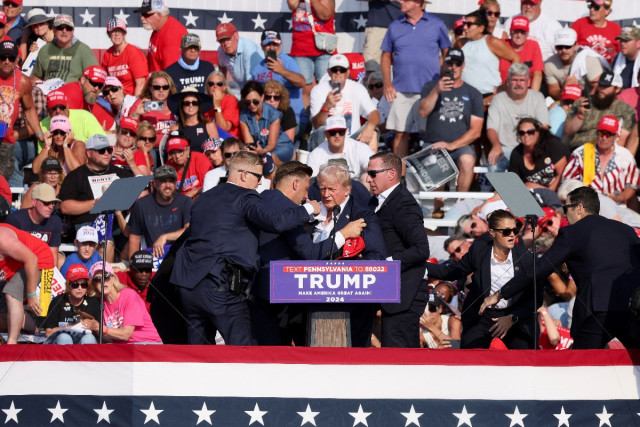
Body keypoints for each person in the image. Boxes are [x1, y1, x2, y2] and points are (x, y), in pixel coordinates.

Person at [169, 151, 321, 345]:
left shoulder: (204, 198)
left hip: (189, 286)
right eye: (258, 177)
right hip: (221, 285)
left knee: (200, 353)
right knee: (244, 352)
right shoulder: (246, 197)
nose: (260, 183)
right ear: (243, 175)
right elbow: (275, 222)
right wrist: (308, 210)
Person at [480, 187, 640, 349]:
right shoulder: (627, 230)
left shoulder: (572, 232)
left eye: (566, 208)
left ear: (579, 208)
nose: (564, 214)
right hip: (632, 308)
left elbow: (540, 269)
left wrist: (501, 293)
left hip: (598, 309)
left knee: (581, 365)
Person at [252, 161, 368, 345]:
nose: (307, 196)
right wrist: (344, 234)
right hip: (279, 298)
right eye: (306, 189)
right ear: (295, 184)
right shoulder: (290, 211)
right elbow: (311, 254)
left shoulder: (259, 199)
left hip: (254, 293)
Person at [428, 210, 538, 349]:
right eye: (506, 231)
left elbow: (536, 297)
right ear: (492, 233)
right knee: (472, 359)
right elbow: (452, 271)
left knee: (524, 361)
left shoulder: (526, 257)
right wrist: (420, 266)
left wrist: (512, 318)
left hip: (515, 316)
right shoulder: (479, 251)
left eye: (515, 230)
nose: (512, 235)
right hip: (482, 316)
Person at [312, 162, 386, 347]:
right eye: (322, 188)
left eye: (332, 189)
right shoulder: (312, 211)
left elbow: (377, 256)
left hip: (353, 301)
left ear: (347, 190)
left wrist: (349, 266)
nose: (326, 194)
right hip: (313, 299)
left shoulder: (362, 215)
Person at [366, 152, 430, 347]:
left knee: (400, 357)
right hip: (385, 291)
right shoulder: (374, 202)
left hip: (404, 294)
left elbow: (421, 249)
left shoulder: (404, 203)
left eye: (373, 173)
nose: (368, 179)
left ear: (392, 174)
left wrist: (386, 265)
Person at [381, 0, 451, 158]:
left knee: (430, 136)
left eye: (406, 0)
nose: (401, 2)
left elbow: (447, 51)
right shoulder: (394, 26)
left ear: (418, 2)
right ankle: (400, 178)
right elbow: (385, 55)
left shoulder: (436, 24)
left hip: (429, 91)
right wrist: (387, 83)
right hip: (401, 90)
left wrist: (445, 78)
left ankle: (432, 178)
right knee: (399, 134)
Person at [418, 48, 484, 192]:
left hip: (460, 146)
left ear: (463, 65)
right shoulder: (431, 86)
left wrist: (452, 145)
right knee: (436, 161)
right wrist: (436, 91)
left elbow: (476, 131)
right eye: (450, 63)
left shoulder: (473, 93)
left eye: (457, 64)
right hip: (433, 143)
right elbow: (423, 112)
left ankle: (460, 205)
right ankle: (437, 206)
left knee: (468, 161)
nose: (453, 67)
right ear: (443, 64)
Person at [58, 134, 134, 230]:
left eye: (109, 150)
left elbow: (140, 196)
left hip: (118, 225)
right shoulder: (75, 176)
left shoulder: (121, 173)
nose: (106, 153)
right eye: (101, 150)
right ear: (89, 153)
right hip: (88, 225)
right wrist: (95, 204)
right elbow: (65, 207)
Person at [563, 115, 640, 206]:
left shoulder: (626, 156)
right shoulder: (580, 153)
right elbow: (566, 183)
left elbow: (632, 186)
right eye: (601, 133)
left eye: (608, 134)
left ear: (616, 136)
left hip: (616, 206)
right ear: (596, 133)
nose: (604, 138)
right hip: (585, 206)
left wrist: (619, 198)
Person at [486, 63, 550, 172]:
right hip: (506, 149)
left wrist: (533, 149)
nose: (518, 84)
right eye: (515, 80)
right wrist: (496, 146)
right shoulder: (498, 99)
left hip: (531, 148)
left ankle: (525, 189)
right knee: (493, 162)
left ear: (528, 82)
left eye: (522, 80)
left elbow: (544, 127)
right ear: (508, 82)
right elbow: (491, 128)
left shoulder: (537, 97)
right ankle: (509, 189)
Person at [310, 54, 380, 152]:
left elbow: (374, 113)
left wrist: (370, 126)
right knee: (322, 131)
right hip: (328, 138)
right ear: (329, 72)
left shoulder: (357, 88)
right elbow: (317, 125)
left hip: (351, 139)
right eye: (335, 69)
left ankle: (370, 166)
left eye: (342, 70)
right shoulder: (318, 90)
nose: (338, 73)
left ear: (347, 73)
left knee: (373, 132)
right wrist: (326, 106)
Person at [82, 261, 162, 344]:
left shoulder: (129, 296)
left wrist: (100, 328)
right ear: (94, 284)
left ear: (113, 278)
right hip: (123, 347)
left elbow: (126, 334)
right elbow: (109, 338)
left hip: (147, 343)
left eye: (106, 276)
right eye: (97, 279)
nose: (102, 281)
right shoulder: (99, 303)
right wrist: (95, 328)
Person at [0, 223, 54, 344]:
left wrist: (31, 294)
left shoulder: (3, 238)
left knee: (12, 293)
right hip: (15, 264)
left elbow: (32, 259)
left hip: (38, 259)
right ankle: (34, 329)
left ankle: (12, 343)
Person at [0, 40, 45, 181]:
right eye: (3, 57)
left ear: (17, 60)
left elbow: (29, 109)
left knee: (6, 178)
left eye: (11, 58)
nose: (7, 61)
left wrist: (39, 133)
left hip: (6, 139)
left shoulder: (23, 81)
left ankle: (11, 203)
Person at [128, 165, 192, 259]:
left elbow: (189, 230)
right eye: (163, 181)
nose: (167, 185)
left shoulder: (185, 202)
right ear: (154, 183)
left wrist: (165, 237)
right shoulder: (141, 205)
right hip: (153, 257)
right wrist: (133, 265)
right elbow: (134, 237)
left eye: (171, 181)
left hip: (179, 256)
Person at [564, 70, 636, 150]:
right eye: (600, 85)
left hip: (606, 151)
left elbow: (621, 141)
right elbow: (567, 132)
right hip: (578, 148)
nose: (601, 89)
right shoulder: (582, 102)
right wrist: (580, 115)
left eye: (606, 86)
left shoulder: (626, 110)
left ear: (617, 89)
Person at [457, 10, 520, 102]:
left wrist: (507, 84)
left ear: (481, 28)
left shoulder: (492, 42)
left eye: (469, 24)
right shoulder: (460, 44)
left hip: (488, 96)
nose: (465, 27)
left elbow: (516, 58)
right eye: (464, 24)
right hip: (464, 97)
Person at [251, 29, 306, 131]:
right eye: (268, 44)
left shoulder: (288, 62)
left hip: (292, 120)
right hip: (266, 119)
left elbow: (302, 82)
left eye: (275, 44)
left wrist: (282, 71)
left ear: (280, 45)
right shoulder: (258, 68)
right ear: (262, 46)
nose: (272, 48)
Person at [287, 0, 336, 106]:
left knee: (327, 87)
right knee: (304, 89)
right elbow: (292, 5)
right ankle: (307, 120)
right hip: (301, 49)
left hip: (324, 49)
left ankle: (326, 119)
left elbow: (326, 15)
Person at [544, 28, 608, 101]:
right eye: (560, 47)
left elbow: (599, 88)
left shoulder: (589, 60)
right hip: (565, 101)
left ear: (576, 45)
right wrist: (566, 89)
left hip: (591, 100)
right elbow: (553, 92)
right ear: (555, 47)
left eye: (568, 46)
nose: (564, 50)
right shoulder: (549, 65)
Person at [30, 14, 98, 83]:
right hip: (48, 92)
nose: (64, 31)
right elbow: (36, 77)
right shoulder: (44, 50)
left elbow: (95, 77)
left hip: (73, 92)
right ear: (54, 29)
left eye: (68, 28)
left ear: (73, 31)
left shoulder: (84, 50)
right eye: (60, 27)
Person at [239, 80, 295, 165]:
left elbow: (271, 144)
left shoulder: (273, 113)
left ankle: (283, 172)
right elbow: (249, 142)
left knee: (268, 158)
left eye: (255, 101)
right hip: (260, 148)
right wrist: (251, 149)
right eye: (248, 102)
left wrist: (262, 151)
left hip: (280, 146)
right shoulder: (243, 116)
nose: (252, 105)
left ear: (262, 97)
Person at [6, 183, 62, 266]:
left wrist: (51, 276)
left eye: (53, 203)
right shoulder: (15, 220)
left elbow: (53, 255)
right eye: (46, 203)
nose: (50, 207)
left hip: (42, 263)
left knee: (61, 260)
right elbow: (9, 254)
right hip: (17, 265)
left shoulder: (55, 221)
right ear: (33, 202)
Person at [43, 264, 100, 344]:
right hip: (61, 342)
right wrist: (73, 327)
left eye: (84, 285)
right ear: (68, 284)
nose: (80, 288)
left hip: (85, 340)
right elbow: (48, 333)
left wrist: (94, 327)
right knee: (64, 337)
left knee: (89, 338)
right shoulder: (58, 301)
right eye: (75, 284)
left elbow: (100, 335)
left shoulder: (93, 302)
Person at [306, 115, 373, 181]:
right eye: (333, 132)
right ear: (326, 134)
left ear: (346, 132)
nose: (337, 135)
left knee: (367, 175)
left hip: (356, 188)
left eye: (341, 132)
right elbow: (311, 180)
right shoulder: (315, 155)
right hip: (329, 188)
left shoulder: (360, 148)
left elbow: (372, 168)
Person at [509, 118, 569, 191]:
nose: (526, 135)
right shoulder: (516, 154)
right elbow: (513, 183)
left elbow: (562, 174)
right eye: (522, 132)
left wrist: (549, 195)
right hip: (534, 193)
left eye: (530, 132)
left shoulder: (552, 145)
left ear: (538, 132)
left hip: (559, 190)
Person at [135, 0, 187, 73]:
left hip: (164, 82)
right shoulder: (157, 28)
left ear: (159, 15)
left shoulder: (172, 35)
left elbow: (171, 73)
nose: (142, 18)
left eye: (146, 14)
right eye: (142, 14)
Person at [101, 18, 148, 97]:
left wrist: (134, 106)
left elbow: (141, 84)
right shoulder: (107, 54)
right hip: (113, 98)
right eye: (113, 31)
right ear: (109, 35)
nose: (117, 34)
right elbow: (104, 81)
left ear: (124, 34)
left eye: (120, 31)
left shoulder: (133, 53)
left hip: (131, 97)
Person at [39, 90, 106, 144]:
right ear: (47, 109)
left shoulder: (85, 116)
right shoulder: (42, 125)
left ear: (67, 106)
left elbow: (102, 142)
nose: (58, 111)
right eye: (53, 108)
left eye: (62, 107)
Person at [216, 23, 264, 98]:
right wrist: (223, 87)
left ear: (236, 35)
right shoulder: (221, 51)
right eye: (222, 40)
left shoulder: (248, 47)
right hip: (245, 90)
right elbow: (221, 67)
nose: (225, 43)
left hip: (261, 90)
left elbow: (252, 83)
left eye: (228, 39)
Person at [498, 16, 544, 91]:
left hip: (525, 93)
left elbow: (537, 75)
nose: (519, 35)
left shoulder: (533, 46)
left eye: (523, 32)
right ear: (510, 32)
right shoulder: (501, 44)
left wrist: (532, 97)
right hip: (503, 91)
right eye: (516, 32)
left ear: (527, 34)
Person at [168, 87, 219, 153]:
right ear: (182, 106)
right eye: (187, 103)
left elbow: (215, 152)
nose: (191, 105)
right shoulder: (175, 128)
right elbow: (172, 153)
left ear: (199, 105)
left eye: (194, 103)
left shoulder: (209, 125)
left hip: (204, 162)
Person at [164, 132, 212, 198]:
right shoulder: (168, 168)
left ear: (188, 149)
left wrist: (194, 192)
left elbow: (211, 184)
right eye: (172, 153)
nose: (177, 156)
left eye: (180, 151)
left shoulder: (200, 159)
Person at [359, 0, 403, 64]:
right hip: (377, 28)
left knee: (408, 68)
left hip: (405, 25)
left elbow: (421, 4)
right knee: (372, 67)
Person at [204, 70, 239, 137]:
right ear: (207, 87)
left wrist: (217, 106)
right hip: (211, 141)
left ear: (224, 87)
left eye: (219, 84)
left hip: (228, 141)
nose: (215, 86)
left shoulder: (230, 100)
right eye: (211, 84)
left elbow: (224, 129)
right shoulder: (204, 103)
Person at [18, 8, 54, 74]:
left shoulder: (59, 34)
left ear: (48, 23)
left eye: (41, 23)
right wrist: (25, 37)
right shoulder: (32, 40)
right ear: (31, 29)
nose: (38, 27)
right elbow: (21, 62)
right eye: (34, 25)